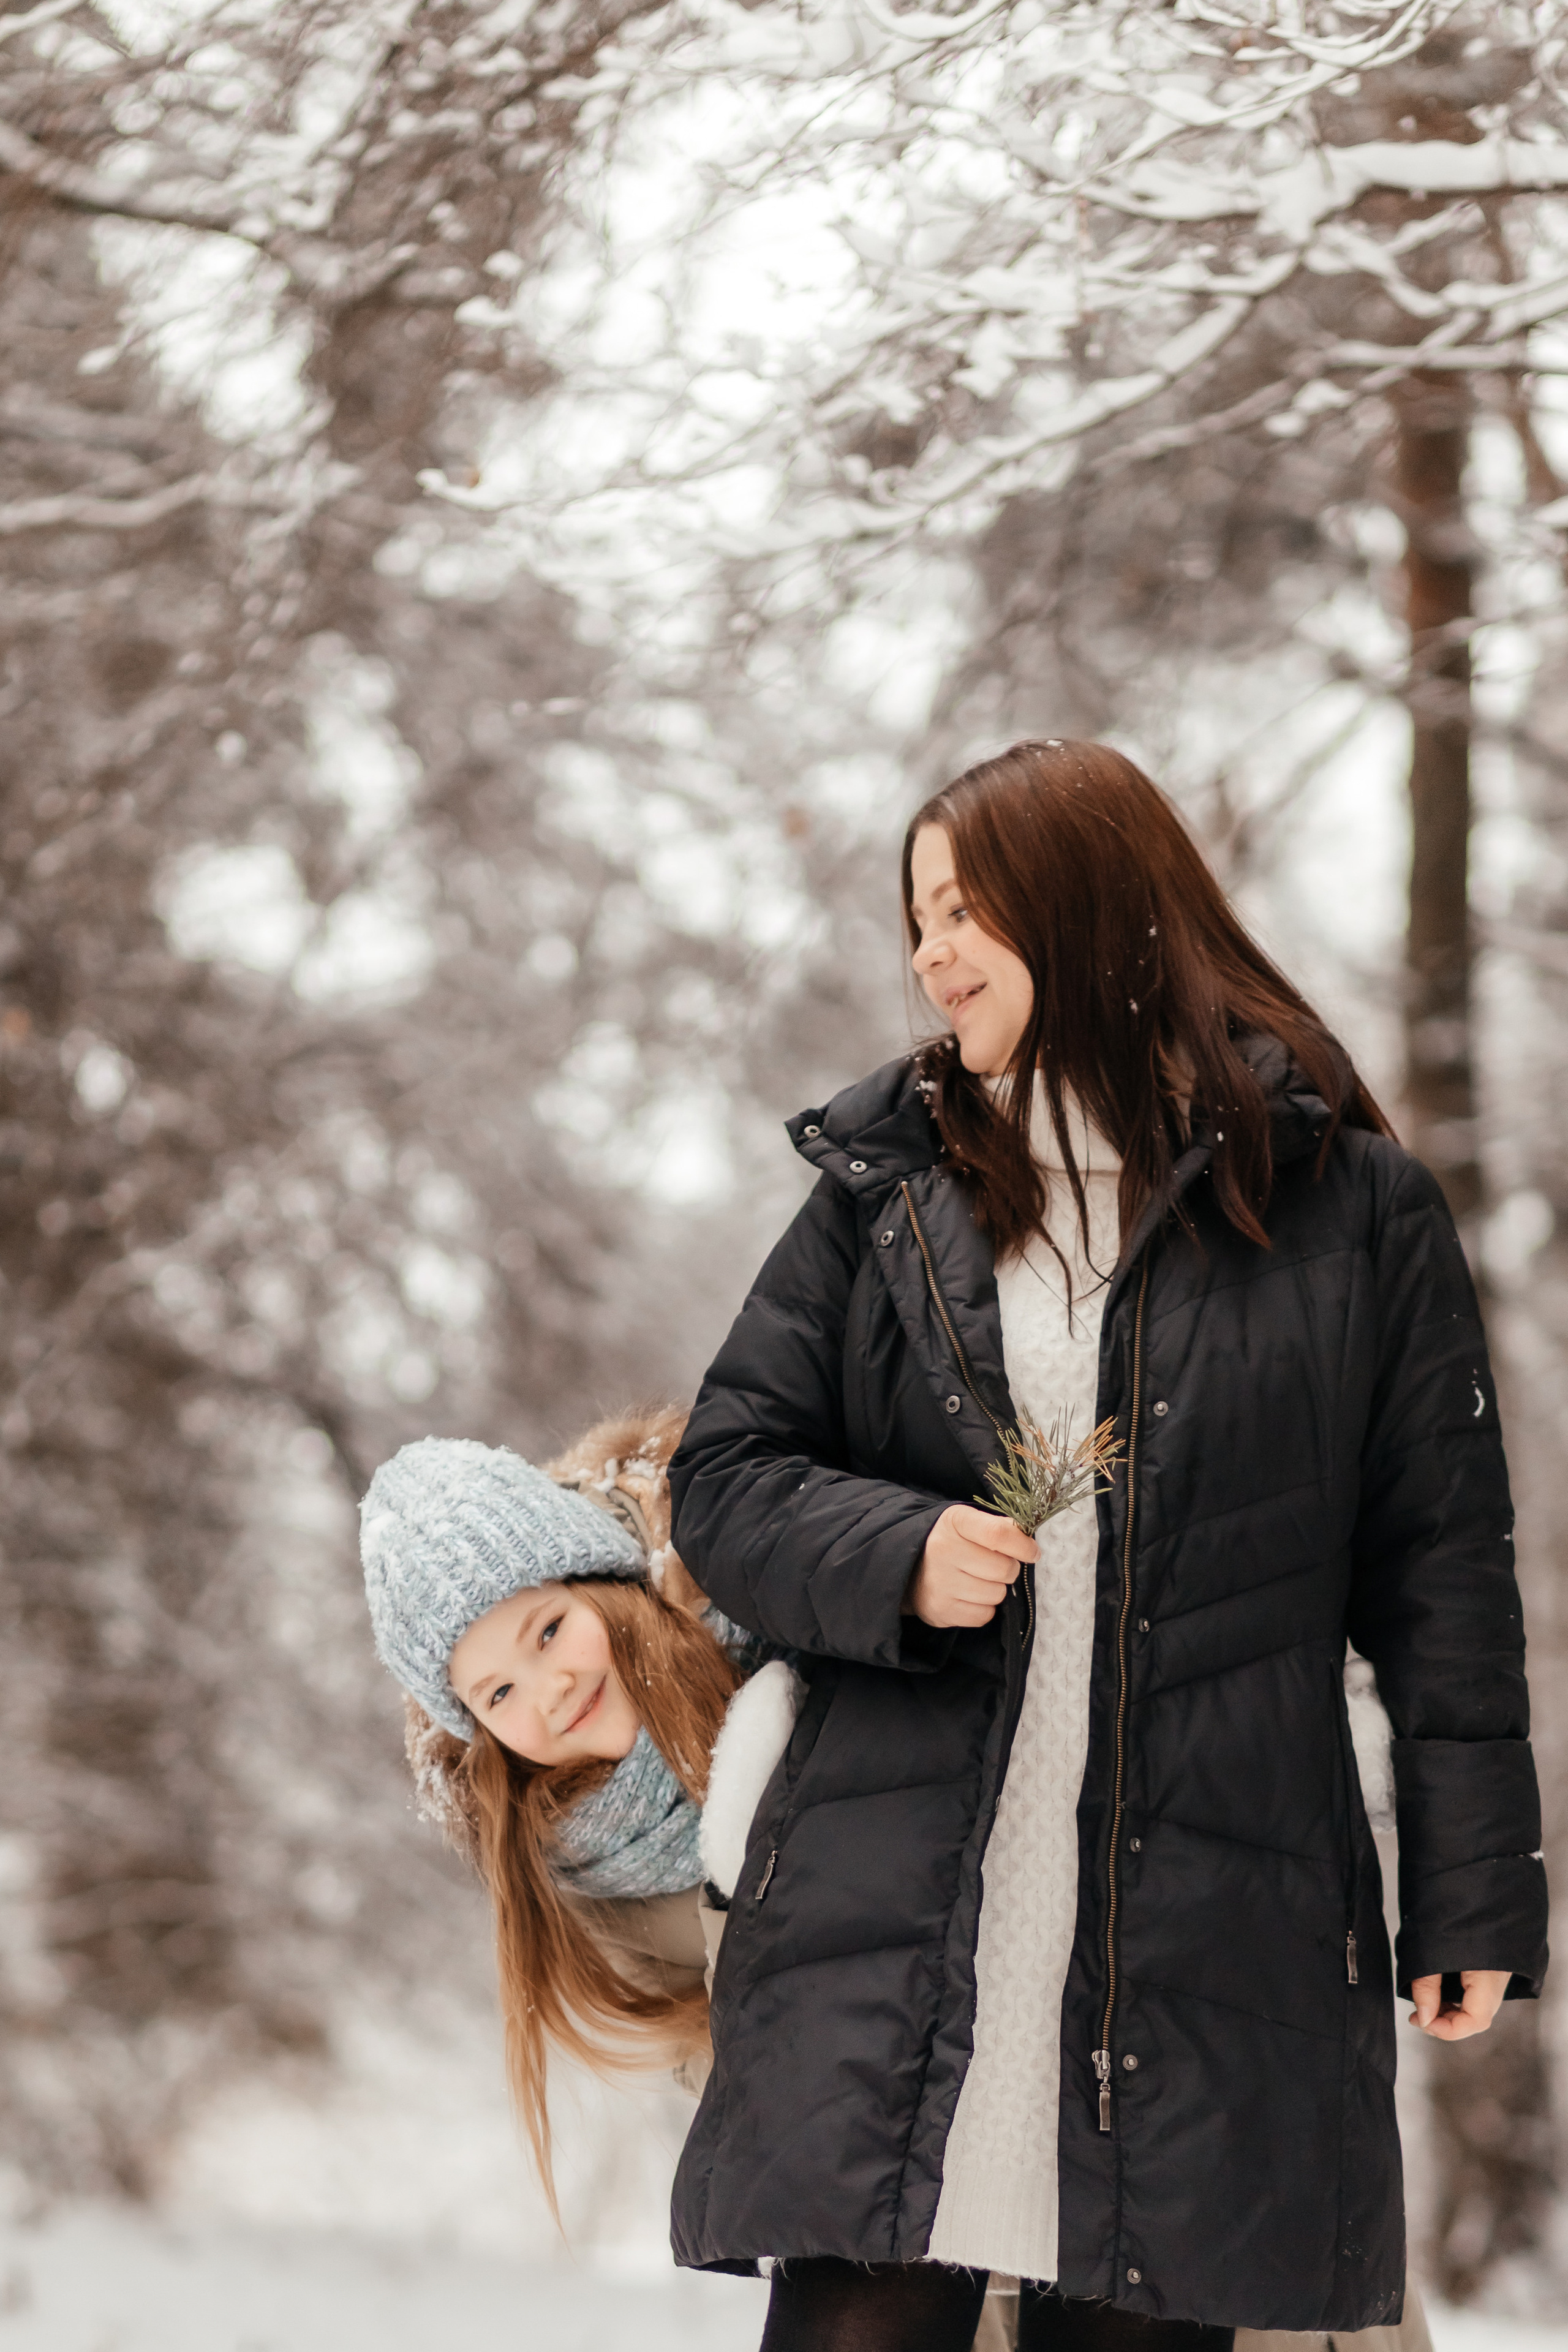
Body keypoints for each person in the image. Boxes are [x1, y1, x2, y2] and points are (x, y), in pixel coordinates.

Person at [666, 741, 1548, 2351]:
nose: (928, 954)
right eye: (915, 918)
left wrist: (1476, 1893)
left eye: (962, 909)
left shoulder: (1355, 1215)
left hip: (1208, 1934)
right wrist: (898, 1553)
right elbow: (723, 1478)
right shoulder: (887, 1195)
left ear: (1085, 905)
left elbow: (1444, 1580)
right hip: (899, 1926)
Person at [358, 1407, 794, 2203]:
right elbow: (726, 2077)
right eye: (499, 1692)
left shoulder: (763, 1602)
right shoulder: (587, 1869)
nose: (549, 1690)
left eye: (550, 1631)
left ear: (600, 1583)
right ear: (478, 1727)